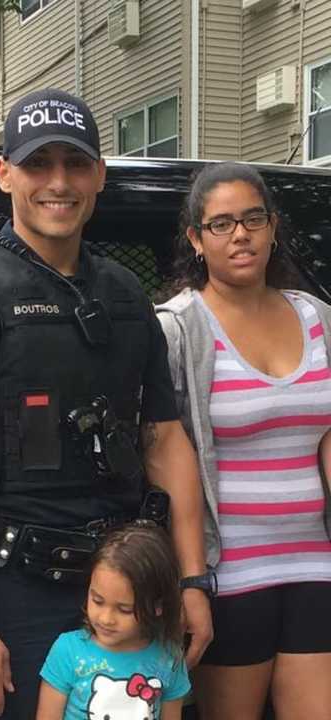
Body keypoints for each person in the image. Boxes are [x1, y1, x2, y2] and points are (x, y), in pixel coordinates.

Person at [0, 87, 212, 719]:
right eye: (39, 163)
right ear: (4, 173)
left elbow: (165, 439)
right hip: (14, 599)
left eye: (75, 163)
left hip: (127, 594)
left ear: (99, 174)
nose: (58, 182)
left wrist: (190, 580)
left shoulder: (125, 295)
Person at [156, 162, 331, 719]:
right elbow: (164, 455)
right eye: (222, 223)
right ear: (196, 239)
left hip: (316, 563)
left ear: (273, 227)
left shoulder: (317, 316)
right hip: (229, 573)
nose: (240, 234)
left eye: (253, 219)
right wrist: (190, 581)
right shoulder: (178, 329)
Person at [36, 525, 189, 720]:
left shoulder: (169, 656)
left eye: (124, 609)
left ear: (157, 606)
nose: (106, 618)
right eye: (97, 601)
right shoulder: (68, 650)